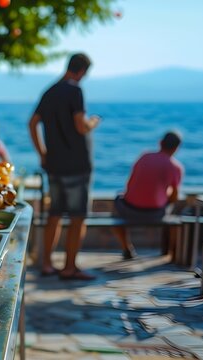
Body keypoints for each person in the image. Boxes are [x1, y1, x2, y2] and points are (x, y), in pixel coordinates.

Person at [28, 53, 100, 280]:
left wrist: (42, 153)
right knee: (78, 217)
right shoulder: (75, 91)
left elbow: (32, 123)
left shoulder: (50, 91)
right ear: (82, 71)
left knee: (55, 214)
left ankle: (47, 264)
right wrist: (93, 123)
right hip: (77, 164)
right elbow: (80, 125)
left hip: (54, 164)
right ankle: (70, 267)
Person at [112, 131, 184, 259]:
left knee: (117, 200)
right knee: (175, 214)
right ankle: (173, 254)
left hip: (130, 210)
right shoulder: (176, 167)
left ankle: (126, 247)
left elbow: (130, 185)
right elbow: (174, 198)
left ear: (160, 143)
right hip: (156, 214)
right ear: (176, 148)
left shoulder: (144, 157)